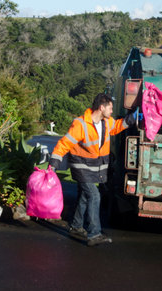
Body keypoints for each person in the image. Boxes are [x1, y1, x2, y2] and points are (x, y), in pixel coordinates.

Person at [49, 93, 136, 246]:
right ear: (101, 108)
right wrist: (54, 163)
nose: (111, 111)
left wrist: (133, 118)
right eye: (110, 108)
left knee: (84, 196)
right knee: (94, 195)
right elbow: (65, 144)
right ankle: (94, 234)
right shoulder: (80, 124)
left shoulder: (106, 122)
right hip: (81, 167)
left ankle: (76, 226)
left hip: (93, 167)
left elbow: (117, 127)